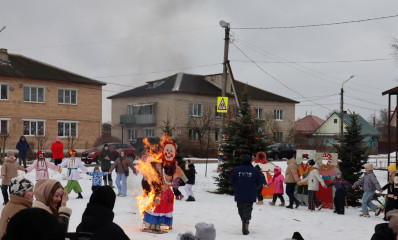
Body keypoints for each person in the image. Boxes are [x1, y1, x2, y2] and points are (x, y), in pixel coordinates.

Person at [141, 140, 188, 233]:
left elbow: (185, 178)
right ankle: (153, 225)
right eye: (167, 150)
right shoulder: (159, 165)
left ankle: (164, 223)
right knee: (156, 207)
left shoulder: (176, 169)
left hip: (168, 193)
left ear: (174, 153)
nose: (169, 153)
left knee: (167, 207)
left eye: (171, 151)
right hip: (158, 191)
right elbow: (149, 167)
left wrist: (185, 177)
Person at [230, 154, 262, 235]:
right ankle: (246, 226)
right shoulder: (255, 170)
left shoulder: (236, 169)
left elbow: (231, 180)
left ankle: (243, 223)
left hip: (239, 193)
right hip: (250, 193)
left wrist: (237, 185)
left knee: (240, 208)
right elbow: (259, 182)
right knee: (248, 209)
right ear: (250, 161)